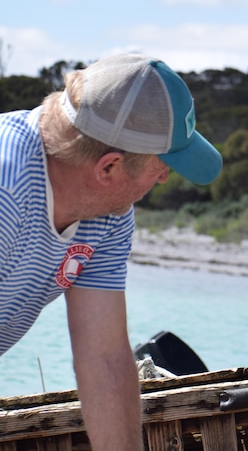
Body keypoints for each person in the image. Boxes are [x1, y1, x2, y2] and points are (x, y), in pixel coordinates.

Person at [0, 53, 222, 450]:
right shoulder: (6, 189)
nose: (166, 177)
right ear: (109, 168)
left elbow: (103, 358)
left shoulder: (109, 215)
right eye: (163, 164)